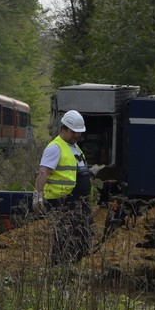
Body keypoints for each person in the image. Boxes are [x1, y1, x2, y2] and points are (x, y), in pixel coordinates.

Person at [33, 109, 93, 265]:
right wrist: (37, 195)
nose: (77, 135)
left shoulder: (74, 147)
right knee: (65, 235)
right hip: (64, 201)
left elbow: (74, 172)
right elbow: (43, 172)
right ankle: (58, 267)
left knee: (82, 236)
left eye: (79, 132)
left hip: (79, 202)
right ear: (64, 129)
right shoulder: (55, 147)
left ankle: (73, 266)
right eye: (74, 132)